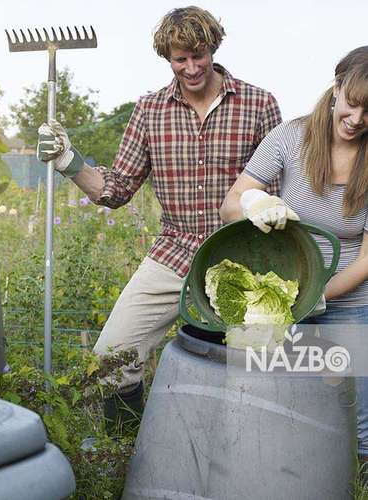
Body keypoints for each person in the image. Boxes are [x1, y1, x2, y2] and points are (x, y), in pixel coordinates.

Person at [37, 6, 282, 432]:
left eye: (198, 55)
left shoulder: (258, 104)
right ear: (167, 58)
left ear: (213, 47)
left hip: (242, 255)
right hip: (176, 250)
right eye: (179, 59)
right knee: (112, 357)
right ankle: (128, 454)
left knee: (252, 375)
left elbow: (278, 191)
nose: (190, 68)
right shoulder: (150, 110)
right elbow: (114, 190)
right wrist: (69, 160)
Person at [220, 47, 368, 462]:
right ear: (337, 88)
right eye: (353, 105)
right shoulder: (290, 137)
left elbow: (366, 257)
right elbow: (230, 204)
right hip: (280, 294)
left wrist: (318, 296)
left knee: (358, 413)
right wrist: (254, 204)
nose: (357, 121)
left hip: (348, 300)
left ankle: (353, 478)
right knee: (265, 393)